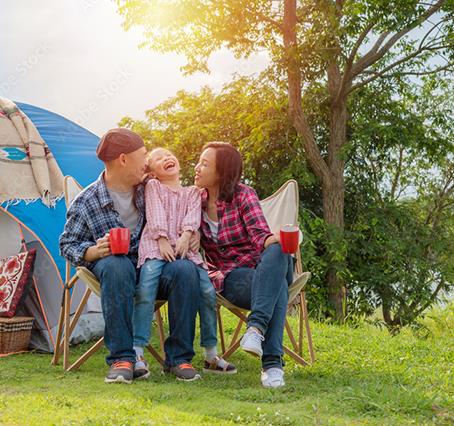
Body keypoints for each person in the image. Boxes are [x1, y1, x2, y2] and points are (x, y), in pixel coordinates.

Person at [59, 128, 200, 384]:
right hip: (115, 275)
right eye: (143, 155)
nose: (147, 162)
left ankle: (179, 358)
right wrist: (93, 251)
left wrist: (192, 234)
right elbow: (68, 243)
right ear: (123, 159)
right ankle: (123, 358)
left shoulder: (152, 189)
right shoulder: (87, 200)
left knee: (185, 270)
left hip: (153, 268)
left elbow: (183, 208)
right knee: (116, 264)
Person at [194, 142, 294, 388]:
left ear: (222, 172)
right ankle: (272, 364)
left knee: (278, 250)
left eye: (205, 164)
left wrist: (282, 240)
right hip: (232, 276)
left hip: (262, 265)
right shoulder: (194, 201)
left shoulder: (243, 194)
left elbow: (261, 237)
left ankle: (256, 327)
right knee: (277, 287)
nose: (197, 168)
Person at [133, 147, 236, 379]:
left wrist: (188, 235)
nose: (166, 158)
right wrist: (161, 239)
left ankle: (210, 353)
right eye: (158, 159)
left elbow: (192, 217)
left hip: (185, 252)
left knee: (209, 293)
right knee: (146, 290)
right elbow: (155, 213)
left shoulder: (192, 192)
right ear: (153, 171)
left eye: (168, 154)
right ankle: (137, 351)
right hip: (155, 247)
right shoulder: (154, 187)